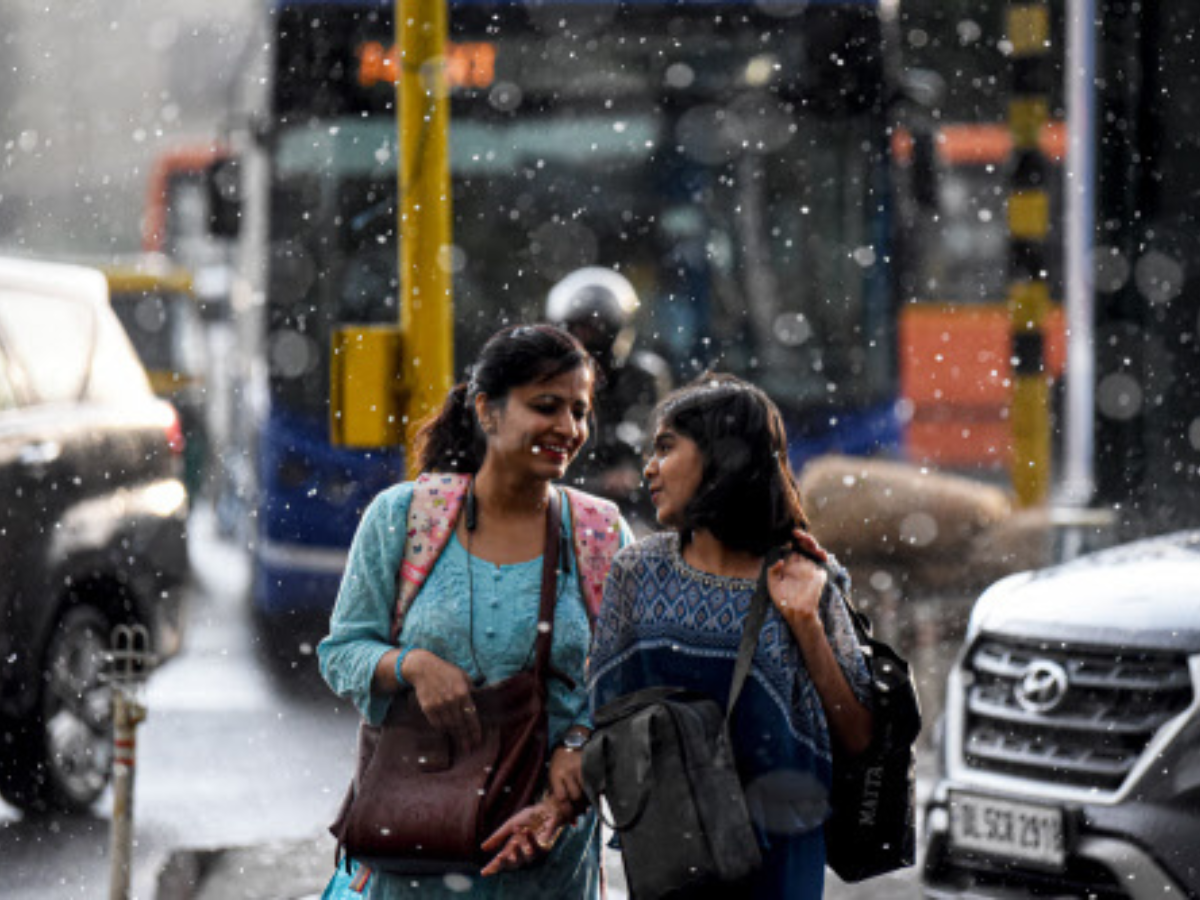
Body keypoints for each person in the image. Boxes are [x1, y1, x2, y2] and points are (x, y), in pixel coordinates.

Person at [317, 324, 634, 899]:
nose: (569, 429)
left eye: (580, 412)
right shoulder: (404, 517)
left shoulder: (600, 533)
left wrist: (580, 742)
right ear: (487, 411)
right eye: (546, 406)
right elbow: (341, 652)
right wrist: (413, 666)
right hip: (414, 845)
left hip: (547, 852)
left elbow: (628, 679)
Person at [586, 373, 875, 899]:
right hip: (673, 852)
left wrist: (805, 622)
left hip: (781, 857)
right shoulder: (637, 572)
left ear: (723, 457)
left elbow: (857, 736)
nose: (649, 467)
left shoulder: (809, 575)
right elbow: (603, 712)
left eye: (667, 448)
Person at [545, 267, 671, 530]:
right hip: (564, 507)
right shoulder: (546, 381)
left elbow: (655, 442)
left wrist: (630, 471)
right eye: (580, 329)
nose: (588, 338)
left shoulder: (642, 378)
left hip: (634, 511)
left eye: (597, 329)